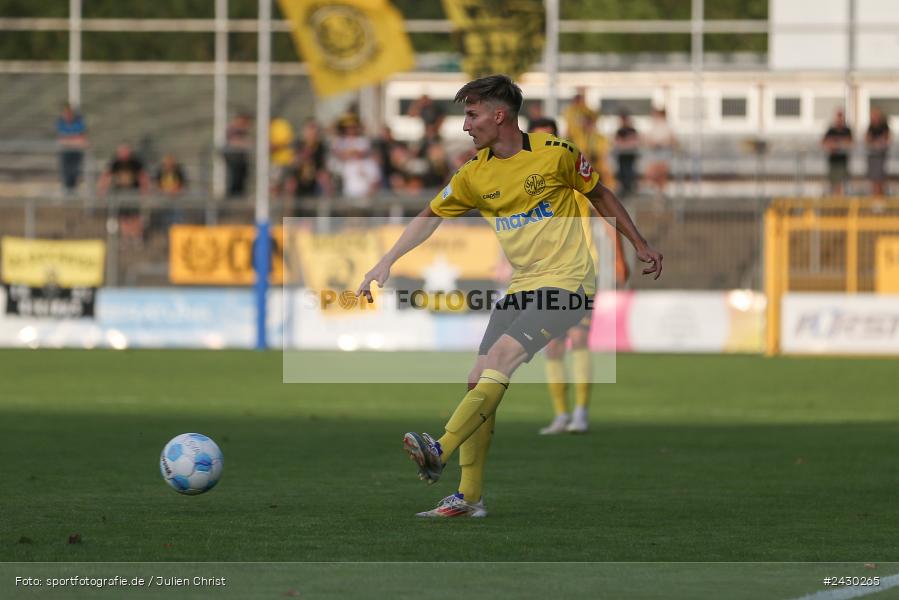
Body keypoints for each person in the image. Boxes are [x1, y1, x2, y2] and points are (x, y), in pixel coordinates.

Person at [356, 75, 662, 518]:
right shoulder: (474, 173)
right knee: (477, 380)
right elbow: (429, 215)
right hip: (523, 286)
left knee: (499, 359)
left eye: (472, 114)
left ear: (499, 115)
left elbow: (602, 194)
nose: (465, 126)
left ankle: (440, 448)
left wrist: (639, 243)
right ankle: (469, 498)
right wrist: (387, 260)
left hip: (569, 283)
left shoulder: (556, 154)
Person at [528, 117, 630, 435]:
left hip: (581, 269)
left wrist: (621, 255)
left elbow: (604, 209)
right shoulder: (524, 181)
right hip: (543, 272)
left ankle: (581, 413)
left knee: (579, 338)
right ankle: (561, 415)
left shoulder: (570, 171)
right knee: (553, 345)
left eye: (549, 138)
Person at [56, 103, 88, 194]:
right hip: (66, 153)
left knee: (75, 172)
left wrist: (69, 140)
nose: (67, 116)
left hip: (76, 152)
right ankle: (67, 192)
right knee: (65, 172)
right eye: (65, 113)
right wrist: (75, 140)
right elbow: (61, 139)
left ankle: (73, 191)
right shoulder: (61, 122)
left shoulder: (78, 121)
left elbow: (82, 138)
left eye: (69, 113)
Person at [643, 107, 676, 195]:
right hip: (654, 154)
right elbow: (647, 139)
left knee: (661, 174)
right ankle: (654, 192)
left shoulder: (667, 126)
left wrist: (662, 143)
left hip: (664, 154)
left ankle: (661, 193)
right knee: (652, 173)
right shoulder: (652, 126)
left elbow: (672, 140)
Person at [822, 109, 853, 197]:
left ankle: (841, 204)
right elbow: (824, 143)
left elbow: (850, 143)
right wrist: (833, 145)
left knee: (842, 184)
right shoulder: (831, 130)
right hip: (833, 162)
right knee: (833, 184)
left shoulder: (847, 130)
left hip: (843, 162)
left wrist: (838, 144)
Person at [223, 112, 252, 198]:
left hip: (239, 156)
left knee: (242, 175)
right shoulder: (235, 127)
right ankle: (234, 195)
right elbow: (236, 142)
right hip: (234, 156)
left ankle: (239, 194)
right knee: (236, 177)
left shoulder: (241, 129)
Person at [614, 111, 640, 197]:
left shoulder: (632, 130)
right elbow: (617, 143)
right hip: (621, 159)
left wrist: (625, 144)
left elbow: (634, 143)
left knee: (630, 174)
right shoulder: (619, 131)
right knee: (622, 174)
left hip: (630, 159)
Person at [866, 107, 891, 196]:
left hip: (881, 157)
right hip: (872, 158)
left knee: (880, 180)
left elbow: (888, 139)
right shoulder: (870, 127)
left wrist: (879, 143)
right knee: (873, 180)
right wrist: (874, 143)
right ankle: (875, 199)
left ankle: (881, 200)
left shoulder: (884, 126)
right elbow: (867, 140)